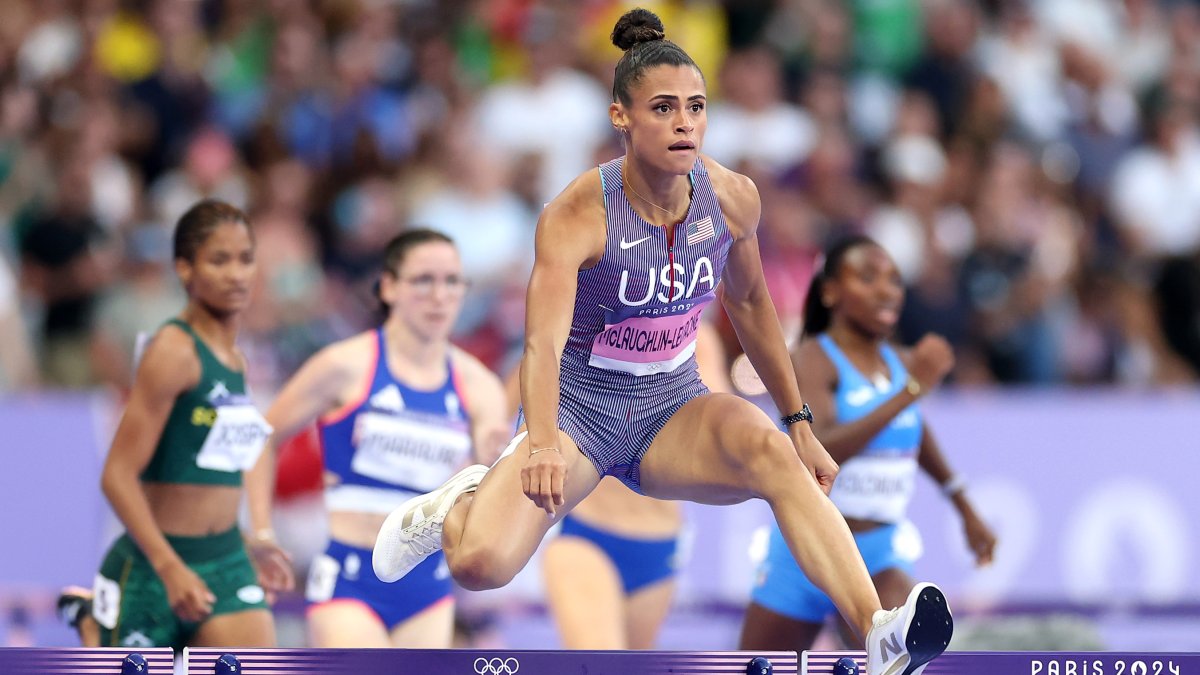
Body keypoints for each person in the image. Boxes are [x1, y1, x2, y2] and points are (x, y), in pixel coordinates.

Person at [375, 11, 953, 675]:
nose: (684, 123)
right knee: (481, 564)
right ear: (622, 116)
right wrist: (536, 442)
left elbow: (751, 303)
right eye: (663, 108)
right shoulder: (577, 213)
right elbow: (541, 340)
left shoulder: (732, 198)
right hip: (580, 412)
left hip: (671, 402)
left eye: (696, 108)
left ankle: (877, 629)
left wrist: (798, 421)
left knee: (773, 454)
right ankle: (457, 505)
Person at [244, 228, 509, 648]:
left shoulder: (479, 387)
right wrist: (261, 533)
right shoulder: (344, 365)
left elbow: (488, 492)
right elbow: (263, 438)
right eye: (424, 279)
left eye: (452, 281)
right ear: (388, 287)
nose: (440, 295)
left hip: (429, 587)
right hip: (349, 578)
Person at [739, 236, 997, 654]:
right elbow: (818, 447)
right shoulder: (812, 359)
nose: (887, 290)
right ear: (830, 291)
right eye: (868, 277)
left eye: (894, 280)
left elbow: (913, 429)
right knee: (755, 666)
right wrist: (909, 392)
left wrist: (962, 502)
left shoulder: (902, 363)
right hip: (805, 550)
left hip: (879, 554)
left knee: (904, 651)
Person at [90, 199, 293, 649]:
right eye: (219, 260)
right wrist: (168, 567)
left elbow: (211, 476)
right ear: (185, 269)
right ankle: (90, 618)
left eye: (245, 259)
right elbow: (117, 476)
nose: (237, 274)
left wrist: (251, 539)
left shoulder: (236, 361)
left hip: (226, 562)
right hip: (154, 568)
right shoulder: (174, 351)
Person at [540, 319, 729, 650]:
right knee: (599, 663)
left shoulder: (700, 336)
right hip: (587, 532)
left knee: (631, 666)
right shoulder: (585, 317)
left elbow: (717, 429)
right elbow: (523, 387)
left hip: (658, 541)